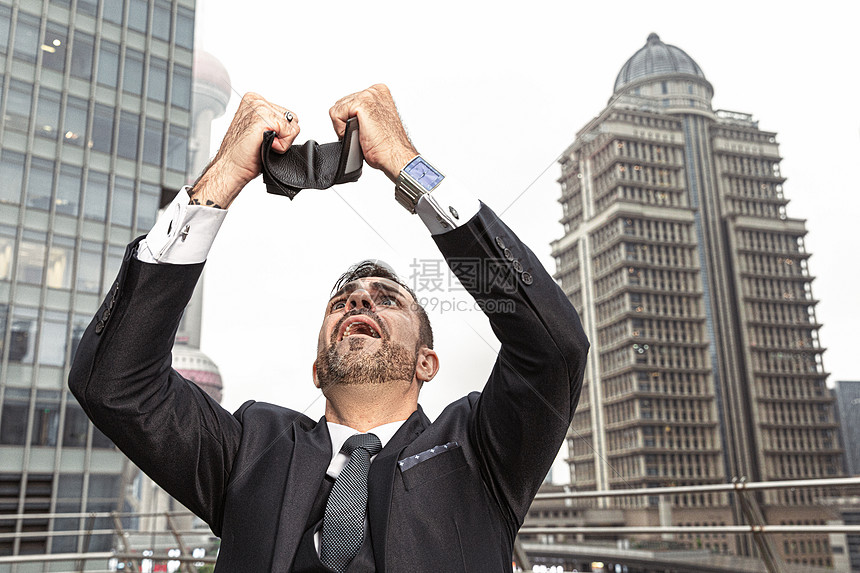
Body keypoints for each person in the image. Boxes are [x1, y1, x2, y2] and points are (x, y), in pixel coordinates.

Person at [69, 84, 589, 572]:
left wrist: (413, 171)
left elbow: (551, 344)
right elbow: (116, 382)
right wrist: (223, 174)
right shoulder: (249, 449)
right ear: (317, 369)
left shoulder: (483, 450)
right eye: (342, 302)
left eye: (388, 300)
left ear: (427, 362)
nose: (360, 299)